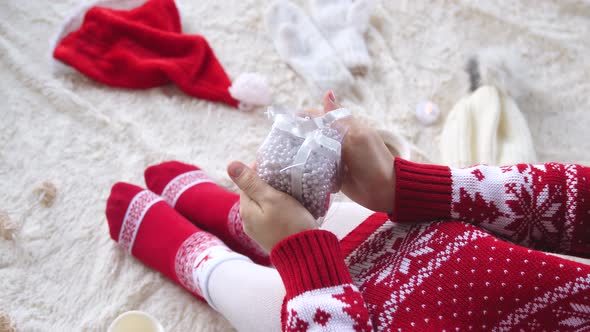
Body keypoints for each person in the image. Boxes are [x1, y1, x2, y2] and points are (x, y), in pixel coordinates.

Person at [106, 91, 590, 331]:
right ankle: (243, 222)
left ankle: (203, 261)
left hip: (350, 317)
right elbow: (576, 201)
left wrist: (302, 257)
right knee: (337, 219)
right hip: (444, 249)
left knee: (245, 287)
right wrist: (410, 187)